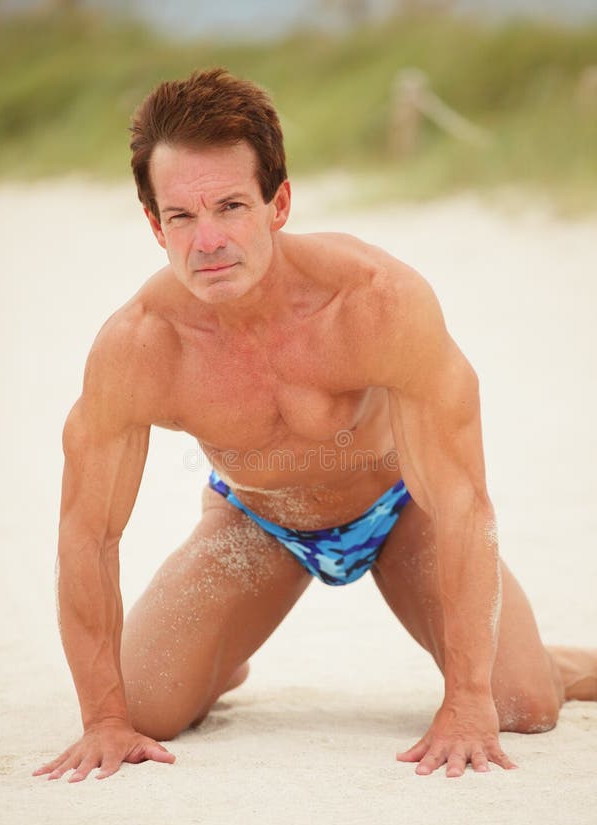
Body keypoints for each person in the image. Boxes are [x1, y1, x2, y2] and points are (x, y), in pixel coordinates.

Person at [34, 68, 596, 784]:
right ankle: (219, 657)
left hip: (404, 511)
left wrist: (466, 700)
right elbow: (87, 534)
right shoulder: (141, 346)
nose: (207, 241)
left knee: (521, 703)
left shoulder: (374, 303)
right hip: (256, 522)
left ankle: (563, 663)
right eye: (181, 216)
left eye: (231, 206)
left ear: (279, 203)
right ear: (155, 225)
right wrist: (103, 719)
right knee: (141, 710)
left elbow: (462, 504)